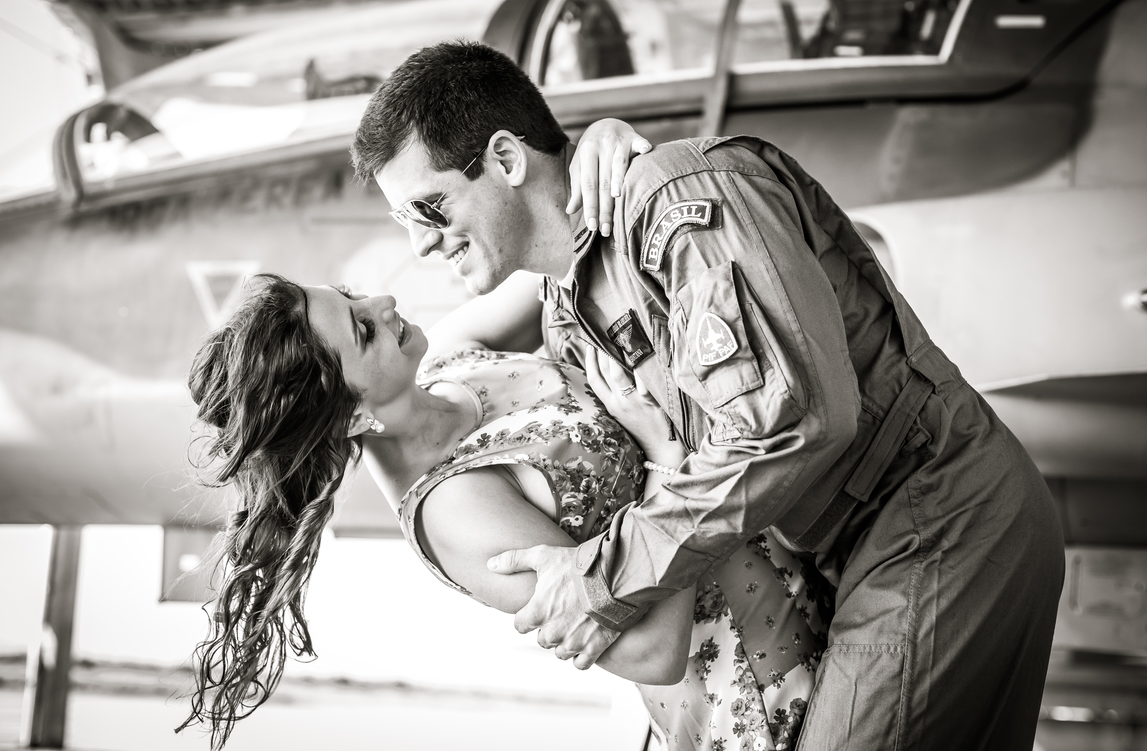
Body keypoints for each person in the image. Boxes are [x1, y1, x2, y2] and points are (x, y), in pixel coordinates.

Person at [350, 39, 1066, 750]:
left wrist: (603, 580)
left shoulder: (683, 197)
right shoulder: (567, 314)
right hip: (845, 561)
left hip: (932, 515)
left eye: (431, 208)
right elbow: (390, 401)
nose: (421, 243)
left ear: (506, 160)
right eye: (405, 221)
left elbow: (797, 422)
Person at [180, 272, 832, 751]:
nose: (382, 302)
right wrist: (666, 453)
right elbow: (652, 653)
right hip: (765, 698)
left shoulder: (457, 355)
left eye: (350, 293)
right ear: (353, 414)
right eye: (362, 327)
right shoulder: (454, 510)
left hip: (809, 571)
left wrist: (604, 151)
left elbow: (558, 242)